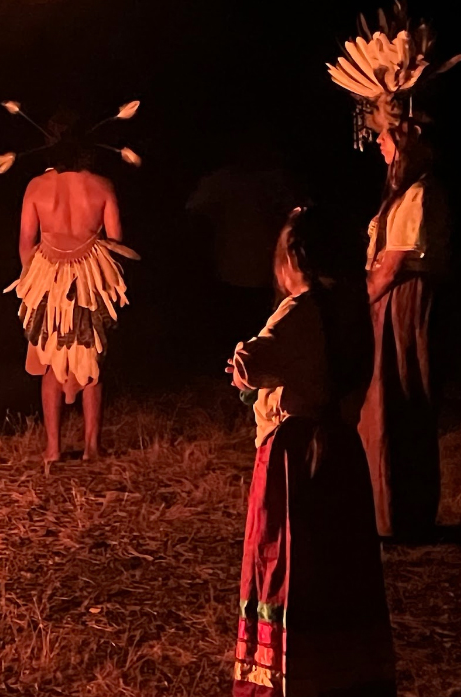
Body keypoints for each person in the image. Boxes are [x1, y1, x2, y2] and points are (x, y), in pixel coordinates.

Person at [227, 206, 395, 697]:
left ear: (293, 258)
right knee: (337, 569)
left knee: (285, 565)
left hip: (294, 458)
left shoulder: (301, 310)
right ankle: (346, 677)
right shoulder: (351, 309)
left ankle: (289, 679)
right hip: (340, 453)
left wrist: (240, 370)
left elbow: (256, 361)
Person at [327, 9, 458, 538]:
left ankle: (399, 519)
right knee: (380, 410)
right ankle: (385, 514)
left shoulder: (423, 195)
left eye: (385, 137)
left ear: (404, 139)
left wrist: (356, 304)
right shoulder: (403, 194)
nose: (378, 145)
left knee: (398, 406)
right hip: (391, 303)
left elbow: (393, 264)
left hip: (403, 308)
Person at [2, 108, 139, 463]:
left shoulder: (36, 186)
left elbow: (24, 243)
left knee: (50, 361)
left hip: (46, 277)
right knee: (90, 358)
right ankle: (92, 447)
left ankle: (52, 448)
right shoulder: (102, 186)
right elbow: (116, 243)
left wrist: (34, 282)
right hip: (90, 279)